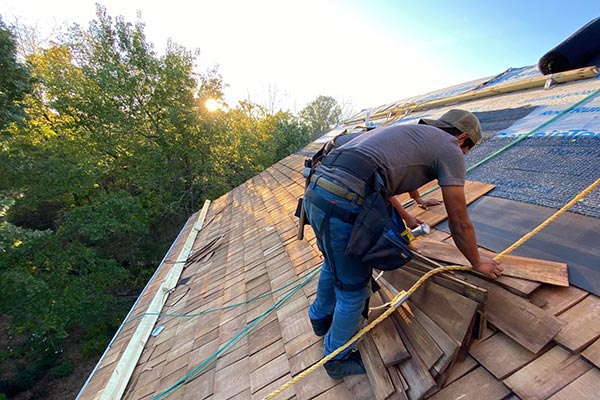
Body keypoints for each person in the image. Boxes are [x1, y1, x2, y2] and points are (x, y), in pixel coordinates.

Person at [302, 109, 503, 380]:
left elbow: (380, 178)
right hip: (344, 203)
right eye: (467, 149)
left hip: (317, 191)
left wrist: (409, 214)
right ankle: (337, 357)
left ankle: (320, 317)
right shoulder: (450, 147)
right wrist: (477, 262)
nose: (463, 155)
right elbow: (459, 222)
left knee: (333, 261)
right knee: (353, 290)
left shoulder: (410, 134)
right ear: (462, 138)